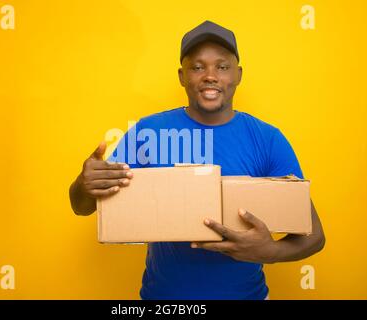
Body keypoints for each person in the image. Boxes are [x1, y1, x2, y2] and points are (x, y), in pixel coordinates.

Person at [69, 20, 325, 300]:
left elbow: (314, 236)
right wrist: (84, 185)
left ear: (238, 75)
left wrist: (271, 252)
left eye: (222, 66)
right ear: (182, 76)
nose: (210, 76)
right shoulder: (148, 132)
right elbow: (82, 207)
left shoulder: (267, 139)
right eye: (198, 67)